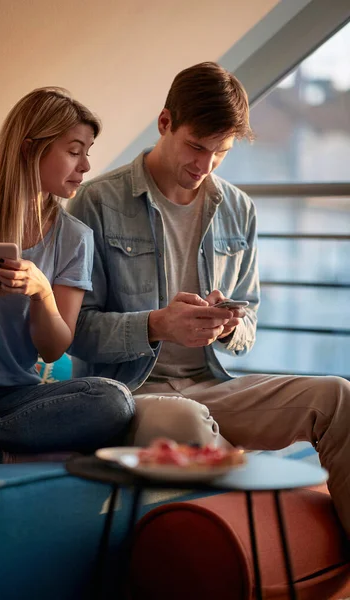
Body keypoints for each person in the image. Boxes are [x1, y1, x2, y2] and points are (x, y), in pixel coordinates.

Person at [68, 62, 350, 536]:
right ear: (165, 124)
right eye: (196, 146)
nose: (204, 165)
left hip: (213, 386)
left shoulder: (238, 208)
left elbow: (250, 321)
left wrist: (230, 326)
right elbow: (75, 332)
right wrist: (157, 325)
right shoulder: (98, 202)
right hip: (132, 394)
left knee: (340, 396)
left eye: (219, 152)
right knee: (188, 422)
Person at [0, 87, 134, 464]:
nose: (84, 166)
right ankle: (0, 453)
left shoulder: (75, 237)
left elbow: (53, 349)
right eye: (74, 150)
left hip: (11, 399)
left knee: (113, 400)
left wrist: (42, 294)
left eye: (87, 152)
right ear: (29, 148)